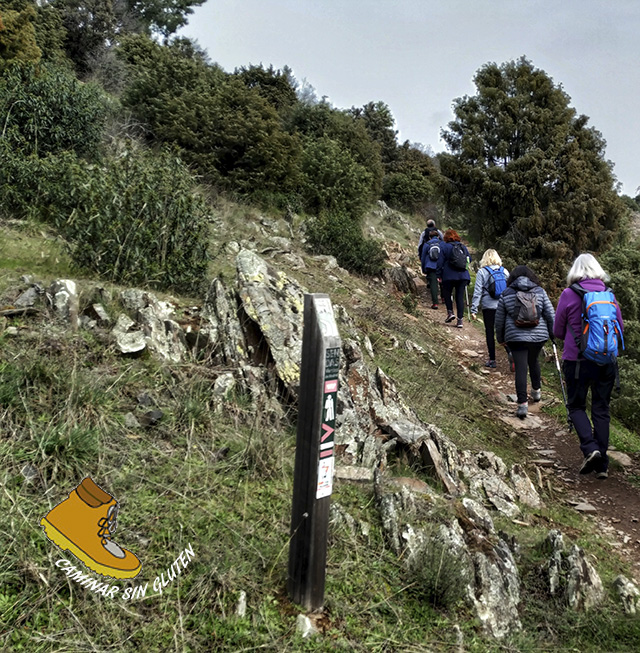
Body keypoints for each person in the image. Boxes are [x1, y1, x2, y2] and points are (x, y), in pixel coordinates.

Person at [553, 253, 624, 478]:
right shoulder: (608, 295)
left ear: (575, 271)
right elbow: (619, 327)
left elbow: (557, 330)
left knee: (576, 406)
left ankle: (590, 448)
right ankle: (602, 466)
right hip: (606, 361)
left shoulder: (568, 294)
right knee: (601, 409)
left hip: (577, 361)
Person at [495, 265, 555, 419]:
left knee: (521, 368)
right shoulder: (540, 291)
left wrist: (500, 338)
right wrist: (553, 333)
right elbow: (550, 314)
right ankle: (536, 392)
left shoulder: (506, 294)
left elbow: (499, 319)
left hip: (515, 337)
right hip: (539, 336)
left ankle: (522, 405)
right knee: (533, 360)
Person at [471, 249, 509, 368]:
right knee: (503, 331)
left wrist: (474, 309)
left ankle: (492, 360)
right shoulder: (505, 271)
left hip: (488, 307)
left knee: (489, 332)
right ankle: (511, 353)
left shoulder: (482, 272)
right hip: (503, 306)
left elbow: (478, 292)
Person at [437, 229, 471, 328]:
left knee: (447, 293)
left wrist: (439, 275)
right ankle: (460, 320)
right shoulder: (462, 247)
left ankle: (450, 312)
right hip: (463, 275)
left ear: (446, 237)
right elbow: (469, 259)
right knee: (459, 297)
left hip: (448, 275)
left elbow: (440, 262)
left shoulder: (444, 246)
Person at [420, 228, 442, 309]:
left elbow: (423, 258)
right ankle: (443, 298)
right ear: (438, 236)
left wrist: (423, 269)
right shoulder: (442, 243)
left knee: (433, 285)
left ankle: (435, 303)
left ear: (429, 237)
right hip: (440, 266)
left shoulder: (427, 244)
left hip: (431, 266)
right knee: (443, 283)